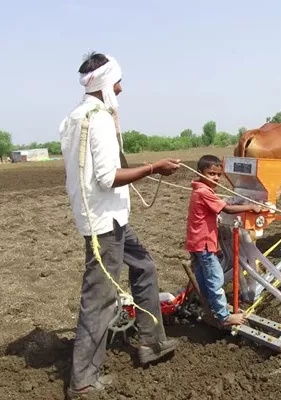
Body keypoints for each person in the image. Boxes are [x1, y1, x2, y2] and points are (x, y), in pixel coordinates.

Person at [59, 51, 180, 398]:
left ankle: (151, 342)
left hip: (111, 218)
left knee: (144, 266)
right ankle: (83, 381)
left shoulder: (75, 117)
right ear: (104, 83)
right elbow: (108, 177)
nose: (122, 88)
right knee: (100, 298)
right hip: (104, 224)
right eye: (118, 81)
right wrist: (154, 169)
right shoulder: (96, 119)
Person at [185, 155, 263, 327]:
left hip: (196, 242)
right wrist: (251, 206)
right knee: (215, 278)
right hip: (204, 243)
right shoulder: (204, 192)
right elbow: (226, 208)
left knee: (204, 277)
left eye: (218, 174)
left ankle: (211, 304)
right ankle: (224, 316)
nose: (216, 177)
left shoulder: (199, 190)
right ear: (200, 173)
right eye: (211, 173)